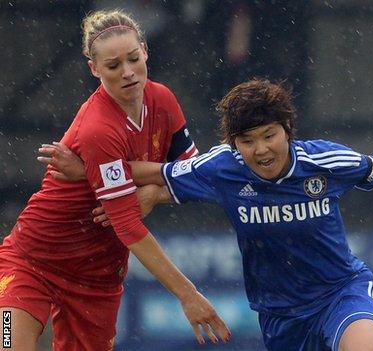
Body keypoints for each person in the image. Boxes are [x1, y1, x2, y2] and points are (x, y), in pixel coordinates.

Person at [41, 78, 373, 351]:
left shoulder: (324, 161)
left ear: (288, 131)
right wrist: (94, 173)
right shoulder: (222, 168)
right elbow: (157, 171)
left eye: (269, 135)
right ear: (234, 143)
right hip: (280, 312)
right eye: (248, 140)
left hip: (341, 291)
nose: (260, 149)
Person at [0, 9, 230, 351]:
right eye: (112, 66)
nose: (127, 73)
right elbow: (127, 225)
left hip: (98, 277)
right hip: (33, 260)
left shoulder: (163, 100)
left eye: (133, 59)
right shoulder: (98, 128)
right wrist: (188, 294)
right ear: (94, 69)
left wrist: (149, 194)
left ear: (145, 52)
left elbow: (193, 176)